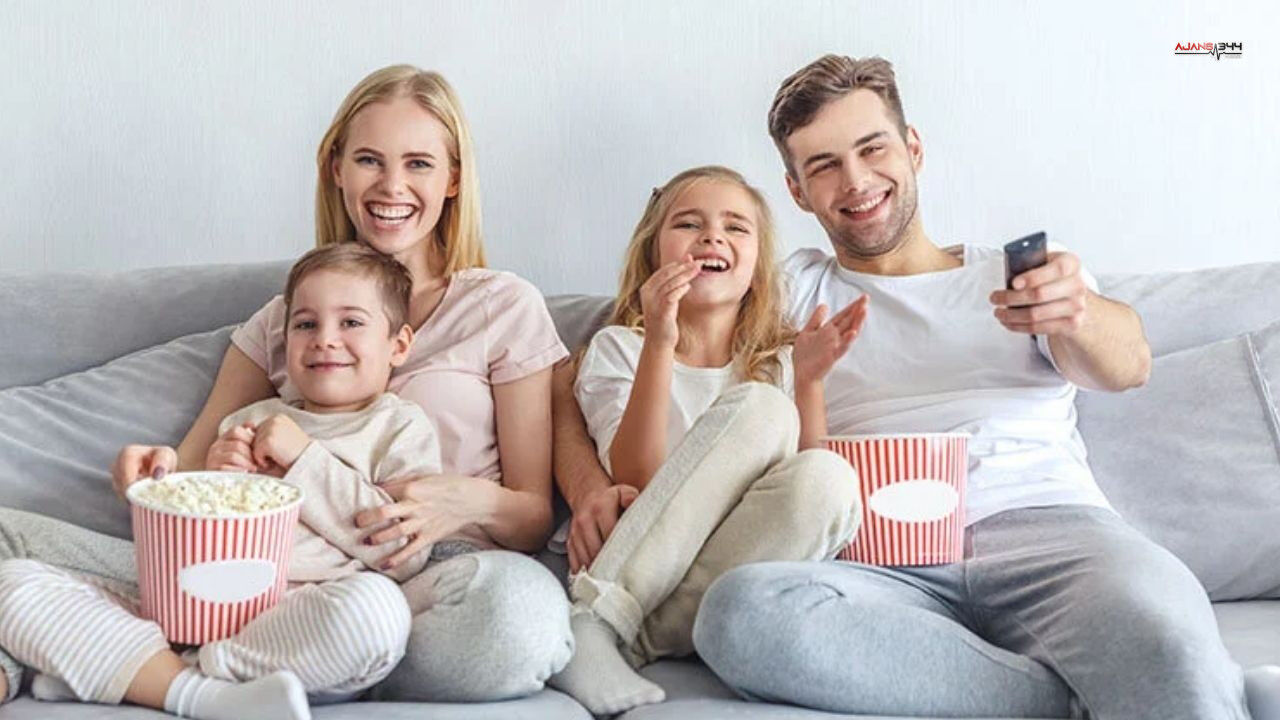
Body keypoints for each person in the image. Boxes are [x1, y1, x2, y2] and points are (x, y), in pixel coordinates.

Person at [553, 55, 1280, 720]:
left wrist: (1079, 313)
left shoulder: (1021, 275)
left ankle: (1181, 685)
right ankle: (1064, 699)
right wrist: (589, 488)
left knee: (1165, 640)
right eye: (825, 165)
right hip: (869, 559)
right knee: (739, 614)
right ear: (797, 191)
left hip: (1050, 536)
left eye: (873, 149)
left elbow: (1130, 364)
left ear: (914, 149)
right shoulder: (784, 289)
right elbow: (569, 370)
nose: (855, 181)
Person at [0, 64, 572, 709]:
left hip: (418, 584)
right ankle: (212, 669)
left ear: (454, 179)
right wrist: (151, 476)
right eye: (368, 160)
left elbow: (533, 517)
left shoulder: (501, 305)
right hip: (260, 574)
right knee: (7, 538)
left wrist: (465, 501)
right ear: (336, 169)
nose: (391, 186)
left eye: (418, 164)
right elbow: (196, 474)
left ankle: (145, 663)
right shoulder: (285, 318)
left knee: (515, 619)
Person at [0, 243, 440, 719]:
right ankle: (190, 689)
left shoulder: (399, 427)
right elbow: (188, 537)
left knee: (377, 614)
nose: (324, 339)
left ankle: (147, 672)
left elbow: (406, 554)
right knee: (13, 583)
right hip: (189, 600)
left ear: (399, 345)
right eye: (305, 324)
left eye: (351, 322)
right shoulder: (251, 419)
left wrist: (304, 459)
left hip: (298, 625)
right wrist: (173, 483)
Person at [546, 166, 864, 714]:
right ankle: (597, 615)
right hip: (634, 557)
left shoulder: (778, 363)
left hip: (715, 575)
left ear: (757, 267)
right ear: (653, 255)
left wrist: (809, 381)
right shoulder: (621, 348)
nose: (712, 237)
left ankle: (630, 640)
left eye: (735, 227)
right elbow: (637, 480)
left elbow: (806, 506)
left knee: (831, 477)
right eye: (689, 224)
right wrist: (660, 341)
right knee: (764, 409)